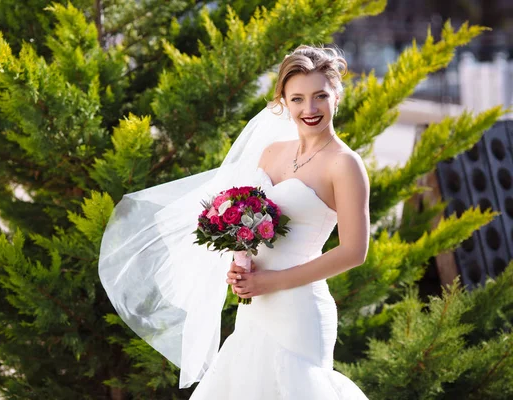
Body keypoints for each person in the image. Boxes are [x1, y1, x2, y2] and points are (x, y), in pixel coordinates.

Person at [98, 45, 370, 399]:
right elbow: (250, 223)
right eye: (298, 98)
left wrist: (273, 281)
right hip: (255, 306)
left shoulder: (344, 165)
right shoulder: (272, 152)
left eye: (320, 96)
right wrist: (240, 263)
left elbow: (354, 251)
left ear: (337, 96)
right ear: (283, 102)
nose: (310, 109)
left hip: (299, 309)